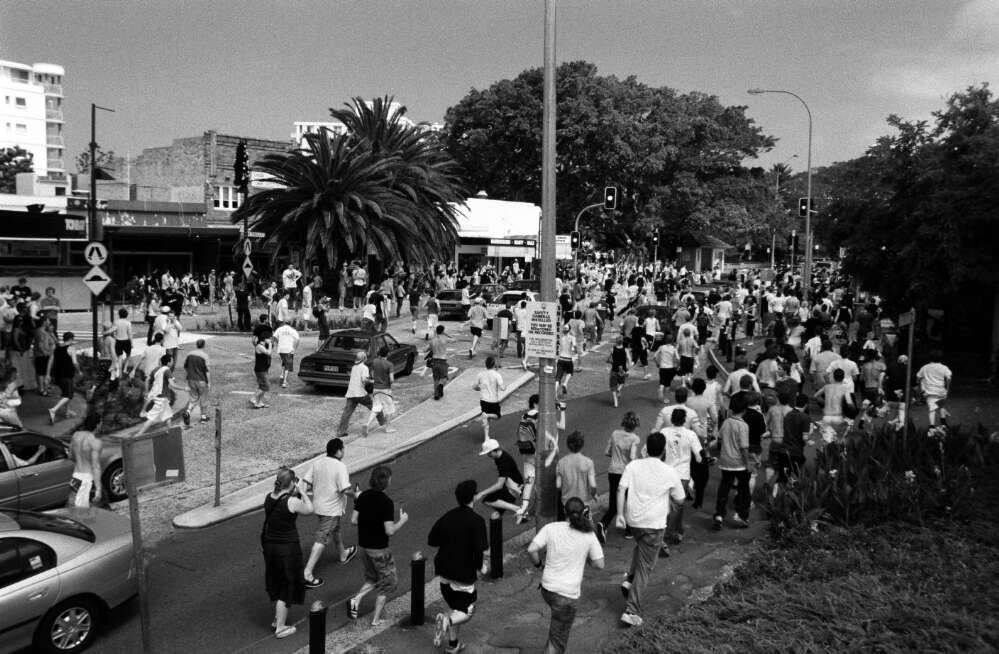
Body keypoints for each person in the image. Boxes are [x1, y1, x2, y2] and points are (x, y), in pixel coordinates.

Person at [616, 431, 686, 627]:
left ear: (646, 447)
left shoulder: (633, 465)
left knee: (641, 547)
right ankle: (631, 610)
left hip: (634, 521)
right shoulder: (669, 471)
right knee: (646, 568)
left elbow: (621, 489)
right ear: (664, 450)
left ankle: (629, 580)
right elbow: (680, 500)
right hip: (654, 525)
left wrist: (620, 514)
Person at [528, 497, 605, 654]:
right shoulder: (588, 534)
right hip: (567, 596)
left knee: (556, 630)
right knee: (557, 642)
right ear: (584, 512)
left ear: (564, 511)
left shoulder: (551, 528)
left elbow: (531, 549)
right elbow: (599, 564)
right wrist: (586, 558)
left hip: (547, 589)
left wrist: (538, 565)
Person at [429, 479, 490, 654]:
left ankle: (453, 644)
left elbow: (431, 540)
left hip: (443, 572)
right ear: (474, 497)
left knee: (456, 609)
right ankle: (445, 621)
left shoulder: (448, 516)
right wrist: (480, 567)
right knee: (468, 611)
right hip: (463, 573)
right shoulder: (477, 521)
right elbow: (481, 548)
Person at [349, 465, 407, 626]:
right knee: (388, 583)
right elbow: (389, 531)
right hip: (380, 550)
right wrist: (402, 520)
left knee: (372, 578)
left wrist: (368, 520)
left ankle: (356, 599)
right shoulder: (386, 502)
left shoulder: (363, 496)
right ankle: (376, 619)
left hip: (365, 548)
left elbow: (353, 520)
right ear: (386, 482)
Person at [261, 467, 314, 639]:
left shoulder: (269, 498)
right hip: (287, 549)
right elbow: (309, 509)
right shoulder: (291, 502)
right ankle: (281, 628)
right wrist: (303, 493)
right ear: (291, 483)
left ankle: (278, 619)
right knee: (287, 586)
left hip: (270, 547)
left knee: (278, 581)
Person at [302, 438, 358, 589]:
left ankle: (343, 554)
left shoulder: (317, 463)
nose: (344, 452)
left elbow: (305, 481)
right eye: (343, 449)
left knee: (336, 529)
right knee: (322, 537)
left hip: (319, 505)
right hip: (331, 509)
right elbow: (345, 489)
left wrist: (304, 496)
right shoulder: (340, 466)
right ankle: (307, 573)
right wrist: (357, 495)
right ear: (339, 451)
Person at [661, 408, 703, 544]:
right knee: (677, 505)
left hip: (667, 472)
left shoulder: (664, 432)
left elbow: (658, 451)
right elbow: (698, 456)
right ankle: (667, 535)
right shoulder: (690, 434)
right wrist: (699, 460)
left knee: (671, 504)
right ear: (684, 420)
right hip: (682, 475)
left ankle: (678, 530)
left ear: (672, 419)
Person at [714, 393, 752, 531]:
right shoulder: (743, 426)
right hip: (739, 463)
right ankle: (742, 515)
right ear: (744, 409)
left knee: (724, 488)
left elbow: (719, 439)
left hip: (725, 461)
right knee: (744, 490)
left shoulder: (726, 422)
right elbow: (744, 447)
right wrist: (748, 463)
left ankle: (719, 515)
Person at [556, 431, 602, 543]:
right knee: (588, 531)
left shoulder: (561, 463)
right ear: (582, 445)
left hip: (567, 503)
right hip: (583, 503)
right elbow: (592, 484)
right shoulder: (588, 462)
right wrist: (594, 494)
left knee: (568, 530)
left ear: (568, 445)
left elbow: (558, 486)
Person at [600, 411, 640, 536]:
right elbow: (632, 457)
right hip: (625, 473)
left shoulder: (615, 434)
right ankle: (629, 530)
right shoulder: (635, 438)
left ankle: (603, 523)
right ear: (635, 425)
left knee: (613, 502)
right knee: (629, 501)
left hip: (612, 471)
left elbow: (607, 452)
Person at [336, 351, 386, 437]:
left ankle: (341, 431)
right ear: (364, 358)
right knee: (375, 406)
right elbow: (364, 380)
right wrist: (374, 381)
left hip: (351, 393)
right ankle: (383, 424)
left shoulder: (354, 367)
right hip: (360, 394)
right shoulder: (364, 368)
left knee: (347, 413)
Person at [475, 438, 524, 516]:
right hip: (513, 483)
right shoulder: (500, 455)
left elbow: (499, 485)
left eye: (489, 453)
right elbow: (488, 442)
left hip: (515, 488)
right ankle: (509, 508)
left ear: (495, 450)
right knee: (498, 507)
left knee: (488, 500)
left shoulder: (503, 463)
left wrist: (481, 493)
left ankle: (518, 509)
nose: (488, 455)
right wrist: (486, 430)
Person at [66, 412, 104, 507]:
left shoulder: (76, 435)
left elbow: (70, 456)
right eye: (101, 422)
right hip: (87, 480)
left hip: (75, 477)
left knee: (75, 508)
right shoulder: (96, 442)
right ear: (98, 425)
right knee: (84, 514)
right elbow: (96, 466)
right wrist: (98, 489)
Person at [136, 354, 176, 436]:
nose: (173, 362)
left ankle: (169, 430)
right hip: (162, 398)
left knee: (168, 415)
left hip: (156, 395)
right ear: (168, 362)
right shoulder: (167, 370)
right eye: (172, 360)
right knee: (151, 418)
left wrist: (147, 391)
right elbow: (172, 384)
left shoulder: (157, 369)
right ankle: (138, 435)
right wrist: (184, 388)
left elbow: (148, 379)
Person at [47, 331, 78, 425]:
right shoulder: (71, 348)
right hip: (67, 375)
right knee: (68, 395)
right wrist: (79, 371)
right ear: (71, 339)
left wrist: (48, 374)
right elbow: (75, 363)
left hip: (58, 376)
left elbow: (50, 362)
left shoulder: (56, 349)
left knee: (66, 393)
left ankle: (66, 411)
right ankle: (53, 410)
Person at [472, 355, 506, 442]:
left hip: (483, 400)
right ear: (494, 364)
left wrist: (479, 388)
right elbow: (502, 388)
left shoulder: (480, 374)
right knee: (497, 416)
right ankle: (487, 415)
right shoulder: (497, 375)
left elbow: (475, 387)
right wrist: (504, 386)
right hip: (493, 400)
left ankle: (486, 437)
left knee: (485, 418)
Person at [366, 345, 397, 434]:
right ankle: (388, 428)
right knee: (389, 408)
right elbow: (392, 379)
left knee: (376, 408)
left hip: (375, 388)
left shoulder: (374, 361)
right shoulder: (389, 364)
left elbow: (371, 374)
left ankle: (367, 424)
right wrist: (389, 384)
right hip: (385, 389)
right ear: (387, 354)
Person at [917, 350, 952, 426]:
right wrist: (947, 389)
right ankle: (943, 423)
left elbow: (918, 377)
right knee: (942, 406)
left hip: (930, 392)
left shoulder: (925, 367)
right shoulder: (944, 367)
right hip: (941, 391)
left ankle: (932, 427)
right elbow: (948, 378)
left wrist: (921, 388)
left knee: (932, 410)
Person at [183, 338, 211, 426]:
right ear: (203, 345)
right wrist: (209, 382)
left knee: (193, 398)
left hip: (191, 380)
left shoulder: (189, 354)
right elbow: (207, 371)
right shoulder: (205, 356)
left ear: (196, 345)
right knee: (203, 397)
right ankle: (203, 417)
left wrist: (189, 374)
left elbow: (185, 366)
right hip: (202, 380)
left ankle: (187, 412)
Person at [273, 320, 300, 389]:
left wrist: (278, 342)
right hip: (289, 349)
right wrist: (294, 348)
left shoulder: (279, 329)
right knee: (288, 365)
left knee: (284, 361)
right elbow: (297, 339)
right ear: (290, 324)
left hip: (281, 349)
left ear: (284, 323)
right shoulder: (292, 330)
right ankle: (284, 382)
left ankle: (282, 375)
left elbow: (274, 337)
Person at [607, 335, 631, 408]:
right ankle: (619, 388)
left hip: (614, 370)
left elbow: (608, 359)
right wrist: (628, 369)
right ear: (622, 342)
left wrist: (611, 362)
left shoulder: (612, 349)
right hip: (622, 370)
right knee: (622, 382)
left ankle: (616, 403)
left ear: (616, 342)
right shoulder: (626, 350)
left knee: (613, 386)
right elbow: (629, 360)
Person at [652, 337, 679, 403]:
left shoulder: (661, 347)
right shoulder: (674, 348)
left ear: (665, 340)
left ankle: (661, 389)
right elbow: (678, 358)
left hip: (662, 367)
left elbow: (654, 356)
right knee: (668, 383)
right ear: (672, 341)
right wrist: (678, 366)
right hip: (670, 367)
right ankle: (666, 398)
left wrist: (657, 363)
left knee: (662, 380)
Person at [428, 324, 449, 400]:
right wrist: (446, 334)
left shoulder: (432, 340)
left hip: (434, 361)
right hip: (443, 361)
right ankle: (441, 385)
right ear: (443, 331)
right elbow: (455, 339)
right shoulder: (445, 339)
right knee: (444, 378)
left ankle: (436, 395)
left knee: (436, 379)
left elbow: (427, 349)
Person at [556, 324, 577, 397]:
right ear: (569, 330)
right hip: (568, 359)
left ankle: (555, 394)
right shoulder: (572, 337)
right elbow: (574, 348)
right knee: (570, 372)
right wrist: (575, 350)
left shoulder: (560, 337)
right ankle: (565, 383)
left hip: (561, 358)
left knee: (558, 377)